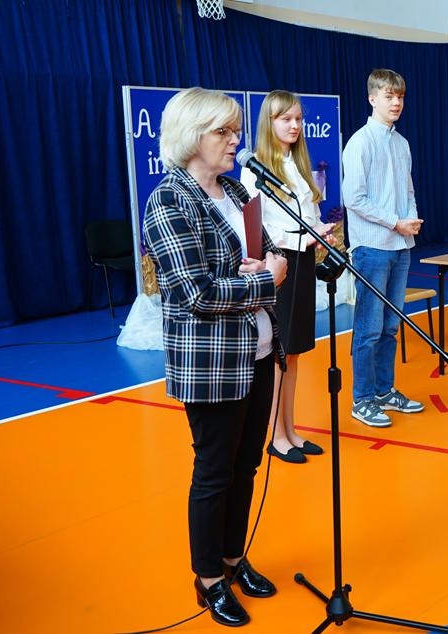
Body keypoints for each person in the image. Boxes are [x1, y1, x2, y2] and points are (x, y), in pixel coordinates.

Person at [143, 87, 287, 628]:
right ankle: (207, 579)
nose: (235, 141)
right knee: (214, 473)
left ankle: (232, 558)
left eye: (236, 130)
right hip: (211, 363)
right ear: (191, 136)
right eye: (223, 131)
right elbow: (195, 293)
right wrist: (266, 281)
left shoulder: (236, 190)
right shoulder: (168, 202)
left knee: (246, 465)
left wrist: (267, 266)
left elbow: (268, 249)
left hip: (258, 351)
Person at [239, 90, 335, 464]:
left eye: (298, 119)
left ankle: (291, 429)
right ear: (270, 122)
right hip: (281, 263)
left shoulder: (296, 162)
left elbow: (305, 214)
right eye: (286, 119)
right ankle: (276, 436)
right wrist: (301, 238)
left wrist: (318, 231)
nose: (294, 126)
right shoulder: (256, 169)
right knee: (280, 353)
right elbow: (258, 227)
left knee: (293, 354)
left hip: (304, 259)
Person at [342, 68, 424, 428]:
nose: (396, 103)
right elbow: (354, 198)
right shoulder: (360, 142)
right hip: (372, 248)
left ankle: (384, 391)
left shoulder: (401, 143)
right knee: (369, 328)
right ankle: (362, 399)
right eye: (389, 96)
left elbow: (408, 191)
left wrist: (411, 220)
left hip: (401, 245)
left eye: (400, 96)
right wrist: (394, 222)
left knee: (391, 326)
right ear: (372, 98)